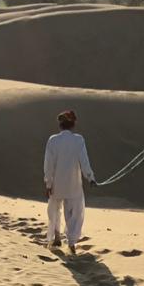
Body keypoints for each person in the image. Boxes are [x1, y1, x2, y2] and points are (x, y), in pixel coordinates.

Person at [44, 109, 96, 254]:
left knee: (54, 209)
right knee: (74, 213)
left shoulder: (53, 140)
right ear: (73, 125)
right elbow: (84, 162)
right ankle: (72, 243)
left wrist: (48, 183)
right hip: (73, 185)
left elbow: (48, 164)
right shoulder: (78, 140)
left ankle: (57, 236)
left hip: (57, 183)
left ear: (60, 125)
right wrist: (90, 177)